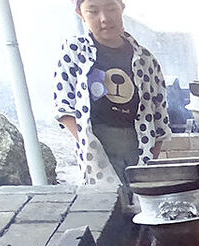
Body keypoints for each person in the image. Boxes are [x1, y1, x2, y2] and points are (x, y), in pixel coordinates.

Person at [53, 0, 170, 186]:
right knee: (107, 207)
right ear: (80, 13)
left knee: (143, 207)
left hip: (138, 142)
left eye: (111, 8)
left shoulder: (146, 59)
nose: (105, 18)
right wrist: (91, 148)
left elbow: (160, 115)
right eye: (93, 11)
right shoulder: (75, 51)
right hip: (97, 143)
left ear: (122, 7)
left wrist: (149, 160)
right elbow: (64, 107)